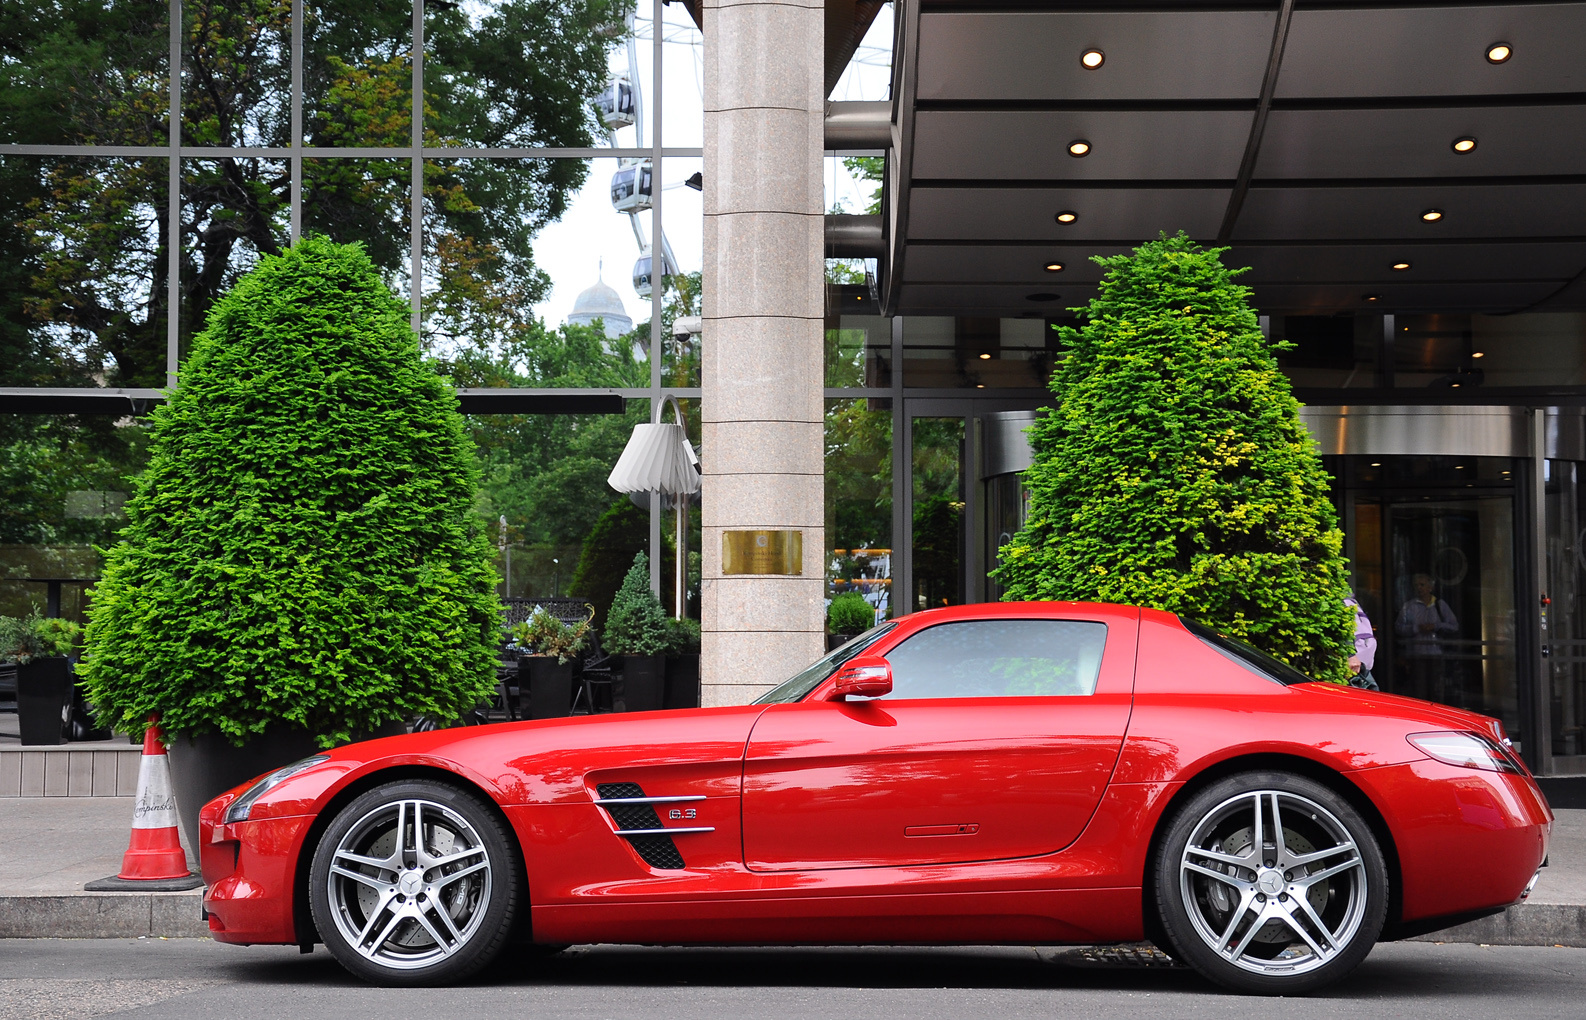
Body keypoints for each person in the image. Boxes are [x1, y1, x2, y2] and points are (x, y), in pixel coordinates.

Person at [1395, 573, 1458, 700]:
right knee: (1419, 690)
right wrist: (1416, 628)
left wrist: (1436, 626)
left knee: (1436, 689)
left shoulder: (1440, 605)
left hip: (1436, 653)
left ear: (1430, 587)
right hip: (1417, 654)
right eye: (1416, 585)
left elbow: (1454, 626)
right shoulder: (1409, 606)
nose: (1419, 588)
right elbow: (1398, 627)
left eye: (1422, 585)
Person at [1344, 591, 1378, 690]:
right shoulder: (1348, 599)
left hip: (1355, 665)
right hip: (1359, 664)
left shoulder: (1342, 600)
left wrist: (1350, 654)